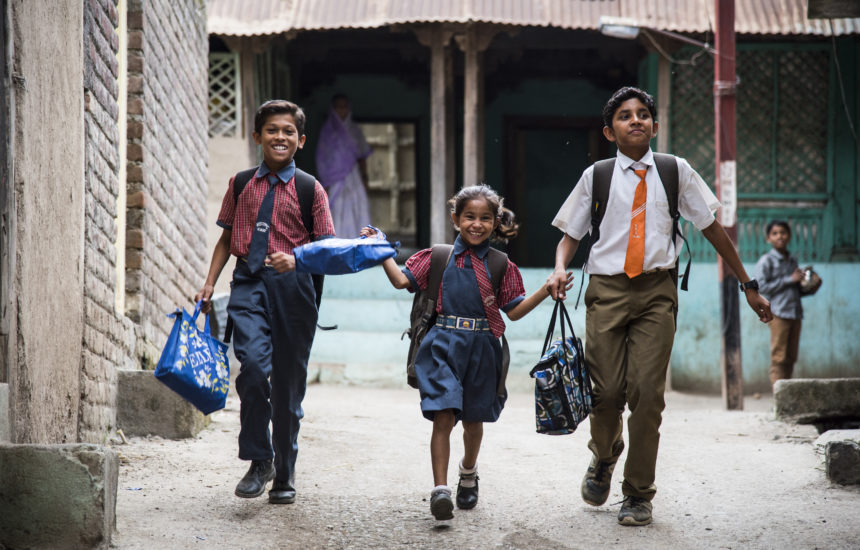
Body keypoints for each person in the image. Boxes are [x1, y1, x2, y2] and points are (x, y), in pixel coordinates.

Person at [547, 87, 772, 527]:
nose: (635, 120)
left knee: (647, 396)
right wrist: (559, 268)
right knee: (605, 395)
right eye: (625, 115)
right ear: (609, 132)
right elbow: (570, 235)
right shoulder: (597, 176)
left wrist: (748, 284)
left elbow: (711, 227)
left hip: (656, 292)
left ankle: (637, 494)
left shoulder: (675, 170)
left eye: (643, 114)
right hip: (606, 291)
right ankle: (604, 455)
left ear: (654, 125)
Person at [362, 185, 571, 521]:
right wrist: (381, 250)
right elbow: (401, 281)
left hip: (483, 349)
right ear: (455, 219)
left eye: (485, 218)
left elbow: (514, 312)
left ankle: (468, 472)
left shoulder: (501, 264)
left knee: (473, 421)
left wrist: (547, 290)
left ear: (495, 222)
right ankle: (440, 490)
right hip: (441, 345)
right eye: (469, 216)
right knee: (443, 415)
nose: (476, 224)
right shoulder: (438, 257)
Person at [195, 99, 335, 505]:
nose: (280, 137)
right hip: (249, 282)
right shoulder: (241, 183)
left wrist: (297, 259)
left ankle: (285, 474)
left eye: (288, 131)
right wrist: (209, 283)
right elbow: (227, 238)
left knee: (288, 390)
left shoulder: (311, 189)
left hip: (294, 290)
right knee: (253, 370)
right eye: (272, 130)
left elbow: (326, 249)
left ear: (301, 140)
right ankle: (260, 459)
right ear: (257, 136)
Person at [754, 220, 805, 386]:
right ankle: (778, 395)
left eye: (783, 233)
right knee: (779, 357)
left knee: (790, 357)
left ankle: (786, 393)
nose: (780, 236)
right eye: (775, 233)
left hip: (795, 313)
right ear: (768, 238)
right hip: (779, 314)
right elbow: (761, 287)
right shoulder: (766, 261)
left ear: (789, 236)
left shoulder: (792, 260)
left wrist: (810, 286)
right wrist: (790, 279)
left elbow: (795, 289)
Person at [315, 93, 372, 238]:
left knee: (357, 209)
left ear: (349, 108)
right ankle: (337, 245)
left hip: (353, 177)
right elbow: (323, 158)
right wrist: (325, 183)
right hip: (333, 181)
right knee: (336, 211)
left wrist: (365, 178)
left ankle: (358, 244)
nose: (342, 110)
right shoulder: (327, 131)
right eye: (338, 107)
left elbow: (362, 157)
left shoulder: (355, 130)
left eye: (344, 106)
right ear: (333, 109)